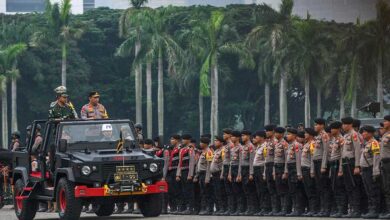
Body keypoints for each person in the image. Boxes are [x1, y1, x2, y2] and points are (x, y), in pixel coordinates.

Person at [341, 116, 364, 218]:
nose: (343, 126)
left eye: (344, 124)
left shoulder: (354, 135)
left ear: (350, 124)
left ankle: (357, 210)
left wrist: (357, 165)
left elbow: (357, 150)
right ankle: (352, 210)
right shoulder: (346, 136)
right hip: (345, 163)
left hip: (352, 163)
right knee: (349, 187)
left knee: (354, 186)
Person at [360, 125, 381, 218]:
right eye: (363, 132)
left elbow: (376, 158)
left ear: (371, 133)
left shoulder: (374, 143)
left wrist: (375, 171)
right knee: (368, 191)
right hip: (365, 170)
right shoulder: (366, 143)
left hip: (370, 169)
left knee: (373, 191)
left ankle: (375, 210)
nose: (363, 134)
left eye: (365, 132)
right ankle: (371, 209)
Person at [328, 121, 348, 217]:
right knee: (334, 187)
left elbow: (342, 156)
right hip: (333, 164)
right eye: (331, 128)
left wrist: (340, 169)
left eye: (333, 128)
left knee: (339, 188)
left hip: (338, 165)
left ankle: (342, 210)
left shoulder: (341, 139)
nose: (331, 130)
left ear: (338, 129)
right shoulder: (334, 140)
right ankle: (338, 209)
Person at [312, 118, 331, 217]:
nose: (315, 126)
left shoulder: (324, 135)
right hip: (316, 162)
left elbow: (326, 151)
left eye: (316, 125)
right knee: (319, 187)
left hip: (321, 163)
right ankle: (322, 209)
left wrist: (324, 165)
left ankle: (326, 209)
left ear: (322, 125)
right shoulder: (318, 136)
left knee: (324, 187)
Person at [299, 128, 320, 217]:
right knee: (307, 190)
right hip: (304, 169)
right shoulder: (306, 144)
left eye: (306, 134)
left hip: (308, 169)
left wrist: (312, 170)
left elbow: (312, 158)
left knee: (311, 190)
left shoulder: (312, 144)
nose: (304, 135)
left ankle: (314, 209)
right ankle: (311, 209)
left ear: (311, 135)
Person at [284, 128, 304, 216]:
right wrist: (286, 171)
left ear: (294, 136)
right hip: (290, 168)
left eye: (289, 134)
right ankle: (295, 209)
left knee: (296, 190)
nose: (287, 136)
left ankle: (298, 209)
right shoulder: (289, 145)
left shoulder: (297, 145)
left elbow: (299, 160)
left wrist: (299, 173)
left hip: (295, 169)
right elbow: (287, 160)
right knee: (292, 190)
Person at [252, 130, 271, 216]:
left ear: (262, 137)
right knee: (259, 190)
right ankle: (262, 207)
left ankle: (266, 208)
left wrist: (264, 173)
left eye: (257, 136)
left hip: (261, 169)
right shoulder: (258, 147)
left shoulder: (265, 146)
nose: (255, 137)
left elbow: (266, 160)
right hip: (256, 169)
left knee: (263, 189)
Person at [263, 124, 281, 216]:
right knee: (270, 188)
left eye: (267, 131)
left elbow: (276, 158)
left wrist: (274, 171)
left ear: (273, 132)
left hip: (273, 166)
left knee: (275, 188)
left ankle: (277, 208)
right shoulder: (268, 142)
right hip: (267, 166)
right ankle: (272, 208)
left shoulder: (275, 142)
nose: (266, 132)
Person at [176, 134, 196, 215]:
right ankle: (185, 207)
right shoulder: (182, 150)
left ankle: (191, 208)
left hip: (188, 171)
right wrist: (178, 174)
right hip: (183, 172)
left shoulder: (190, 149)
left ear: (188, 140)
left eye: (184, 139)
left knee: (189, 191)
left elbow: (192, 163)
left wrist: (190, 174)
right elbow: (179, 163)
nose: (183, 141)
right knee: (184, 191)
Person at [273, 126, 291, 216]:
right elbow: (274, 158)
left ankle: (285, 209)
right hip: (276, 167)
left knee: (284, 189)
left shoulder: (284, 144)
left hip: (282, 167)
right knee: (279, 189)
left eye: (276, 133)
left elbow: (287, 159)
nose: (275, 134)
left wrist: (285, 171)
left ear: (281, 134)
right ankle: (281, 208)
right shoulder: (276, 143)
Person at [228, 130, 244, 216]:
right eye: (231, 136)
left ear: (238, 138)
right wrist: (229, 174)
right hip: (232, 168)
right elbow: (231, 162)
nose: (231, 138)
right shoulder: (232, 148)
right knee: (234, 190)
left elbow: (241, 162)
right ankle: (234, 208)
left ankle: (240, 208)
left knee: (239, 191)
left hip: (238, 169)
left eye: (233, 136)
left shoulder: (240, 148)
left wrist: (239, 174)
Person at [240, 130, 256, 215]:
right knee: (245, 190)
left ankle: (252, 209)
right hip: (243, 169)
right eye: (242, 136)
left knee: (250, 190)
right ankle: (248, 208)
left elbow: (251, 161)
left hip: (248, 169)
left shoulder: (250, 146)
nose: (242, 137)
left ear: (248, 136)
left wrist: (251, 173)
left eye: (244, 135)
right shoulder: (243, 146)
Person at [196, 137, 213, 215]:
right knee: (202, 193)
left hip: (206, 174)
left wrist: (207, 177)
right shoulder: (203, 152)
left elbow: (209, 166)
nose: (200, 144)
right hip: (201, 174)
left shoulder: (209, 152)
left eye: (201, 142)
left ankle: (209, 209)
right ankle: (204, 208)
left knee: (207, 193)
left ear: (205, 144)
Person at [210, 135, 227, 215]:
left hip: (219, 173)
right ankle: (219, 208)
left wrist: (222, 174)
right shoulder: (216, 151)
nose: (215, 142)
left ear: (221, 142)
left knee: (221, 192)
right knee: (216, 192)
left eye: (217, 141)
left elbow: (224, 163)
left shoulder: (223, 150)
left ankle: (223, 208)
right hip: (214, 174)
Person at [221, 128, 235, 215]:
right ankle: (229, 208)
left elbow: (232, 160)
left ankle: (232, 209)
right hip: (225, 168)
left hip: (230, 168)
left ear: (230, 135)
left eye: (225, 134)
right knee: (227, 190)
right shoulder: (226, 146)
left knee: (231, 190)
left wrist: (229, 172)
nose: (223, 135)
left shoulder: (231, 145)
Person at [167, 134, 181, 214]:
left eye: (172, 139)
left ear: (177, 140)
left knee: (177, 190)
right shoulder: (172, 149)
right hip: (171, 171)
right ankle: (173, 207)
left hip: (176, 170)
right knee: (171, 190)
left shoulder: (180, 149)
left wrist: (178, 174)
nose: (171, 141)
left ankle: (178, 207)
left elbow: (180, 161)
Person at [380, 115, 390, 219]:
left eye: (386, 121)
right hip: (384, 163)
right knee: (386, 187)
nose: (384, 123)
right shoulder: (385, 134)